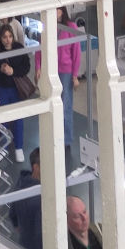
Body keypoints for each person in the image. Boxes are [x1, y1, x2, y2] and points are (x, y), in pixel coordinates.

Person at [34, 9, 81, 163]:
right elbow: (40, 49)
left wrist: (75, 75)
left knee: (65, 106)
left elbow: (76, 52)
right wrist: (38, 67)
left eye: (57, 10)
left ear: (62, 11)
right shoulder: (47, 27)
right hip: (50, 70)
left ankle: (66, 140)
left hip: (66, 72)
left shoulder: (71, 27)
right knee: (49, 104)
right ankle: (51, 136)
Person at [0, 22, 31, 163]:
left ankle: (18, 147)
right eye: (5, 37)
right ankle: (3, 147)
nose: (8, 40)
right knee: (2, 119)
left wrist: (13, 71)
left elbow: (26, 67)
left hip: (16, 90)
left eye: (10, 36)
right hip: (1, 89)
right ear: (0, 38)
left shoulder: (19, 48)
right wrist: (0, 69)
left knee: (18, 118)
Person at [11, 148, 43, 249]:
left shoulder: (20, 184)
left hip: (24, 246)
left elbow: (13, 215)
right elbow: (40, 236)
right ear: (36, 167)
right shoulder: (40, 197)